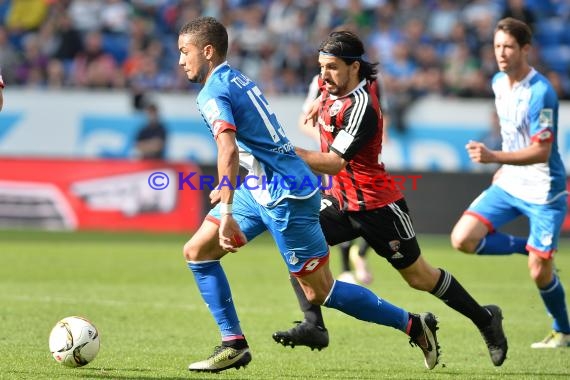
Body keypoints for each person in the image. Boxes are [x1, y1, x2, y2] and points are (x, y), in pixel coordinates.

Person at [178, 17, 440, 373]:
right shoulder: (233, 78)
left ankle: (413, 324)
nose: (181, 61)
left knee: (321, 292)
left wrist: (225, 210)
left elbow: (227, 147)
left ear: (207, 52)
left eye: (185, 52)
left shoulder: (213, 91)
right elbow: (249, 145)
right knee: (197, 252)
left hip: (288, 194)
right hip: (261, 188)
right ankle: (233, 343)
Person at [272, 30, 508, 367]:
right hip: (340, 201)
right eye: (321, 67)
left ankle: (485, 318)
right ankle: (313, 325)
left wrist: (283, 150)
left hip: (378, 206)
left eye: (332, 68)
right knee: (294, 240)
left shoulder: (363, 107)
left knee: (420, 278)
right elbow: (323, 93)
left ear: (354, 67)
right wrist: (316, 102)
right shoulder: (330, 85)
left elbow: (335, 162)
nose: (323, 75)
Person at [450, 17, 570, 349]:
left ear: (526, 49)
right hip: (511, 181)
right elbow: (511, 133)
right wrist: (503, 167)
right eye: (497, 46)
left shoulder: (541, 92)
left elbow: (542, 150)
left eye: (509, 47)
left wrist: (494, 157)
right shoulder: (498, 83)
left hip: (545, 190)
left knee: (539, 273)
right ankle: (529, 249)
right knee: (462, 239)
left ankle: (564, 330)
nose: (501, 53)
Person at [299, 73, 372, 285]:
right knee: (339, 206)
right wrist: (327, 138)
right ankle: (346, 269)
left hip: (363, 160)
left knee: (373, 210)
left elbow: (380, 111)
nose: (326, 69)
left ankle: (359, 255)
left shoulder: (373, 83)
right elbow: (304, 121)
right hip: (331, 159)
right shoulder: (319, 82)